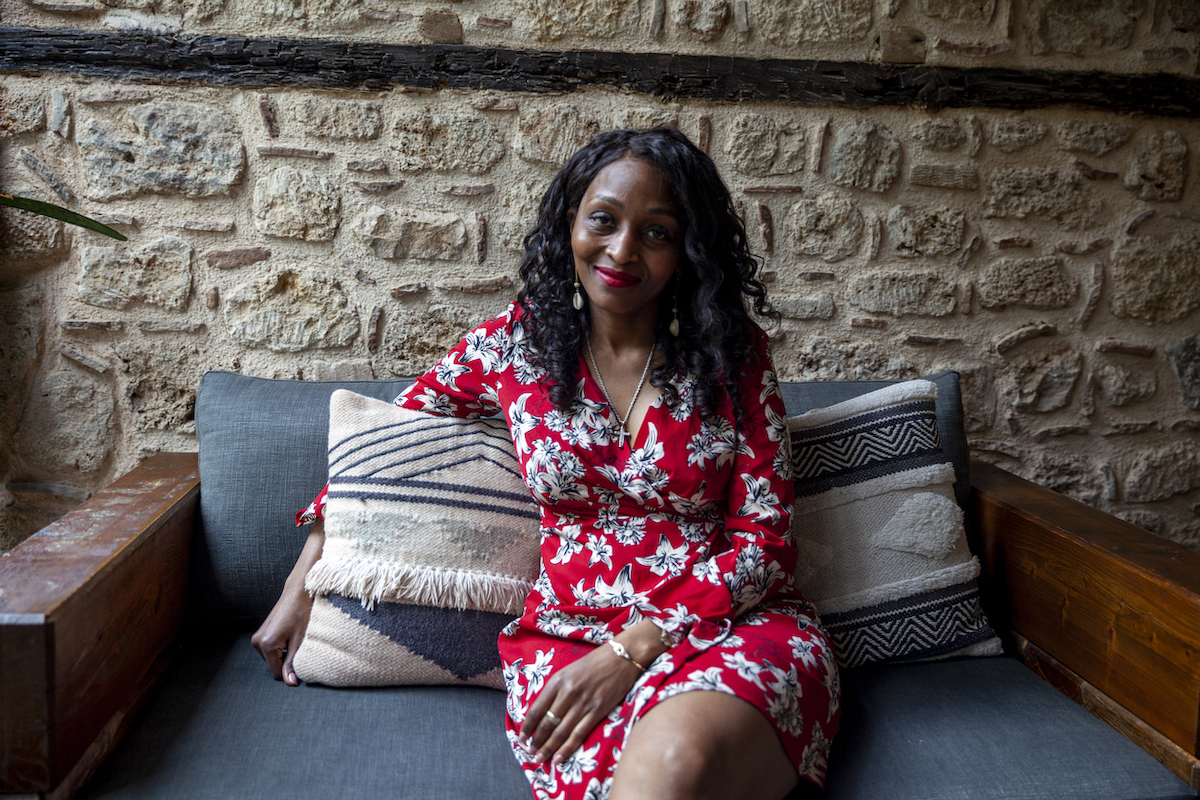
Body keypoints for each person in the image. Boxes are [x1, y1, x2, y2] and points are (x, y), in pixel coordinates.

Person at [252, 128, 840, 800]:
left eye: (656, 232)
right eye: (604, 220)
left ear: (688, 249)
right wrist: (306, 577)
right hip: (569, 640)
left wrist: (633, 649)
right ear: (569, 223)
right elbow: (385, 448)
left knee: (677, 759)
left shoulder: (734, 357)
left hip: (727, 625)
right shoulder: (513, 348)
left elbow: (765, 543)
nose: (622, 250)